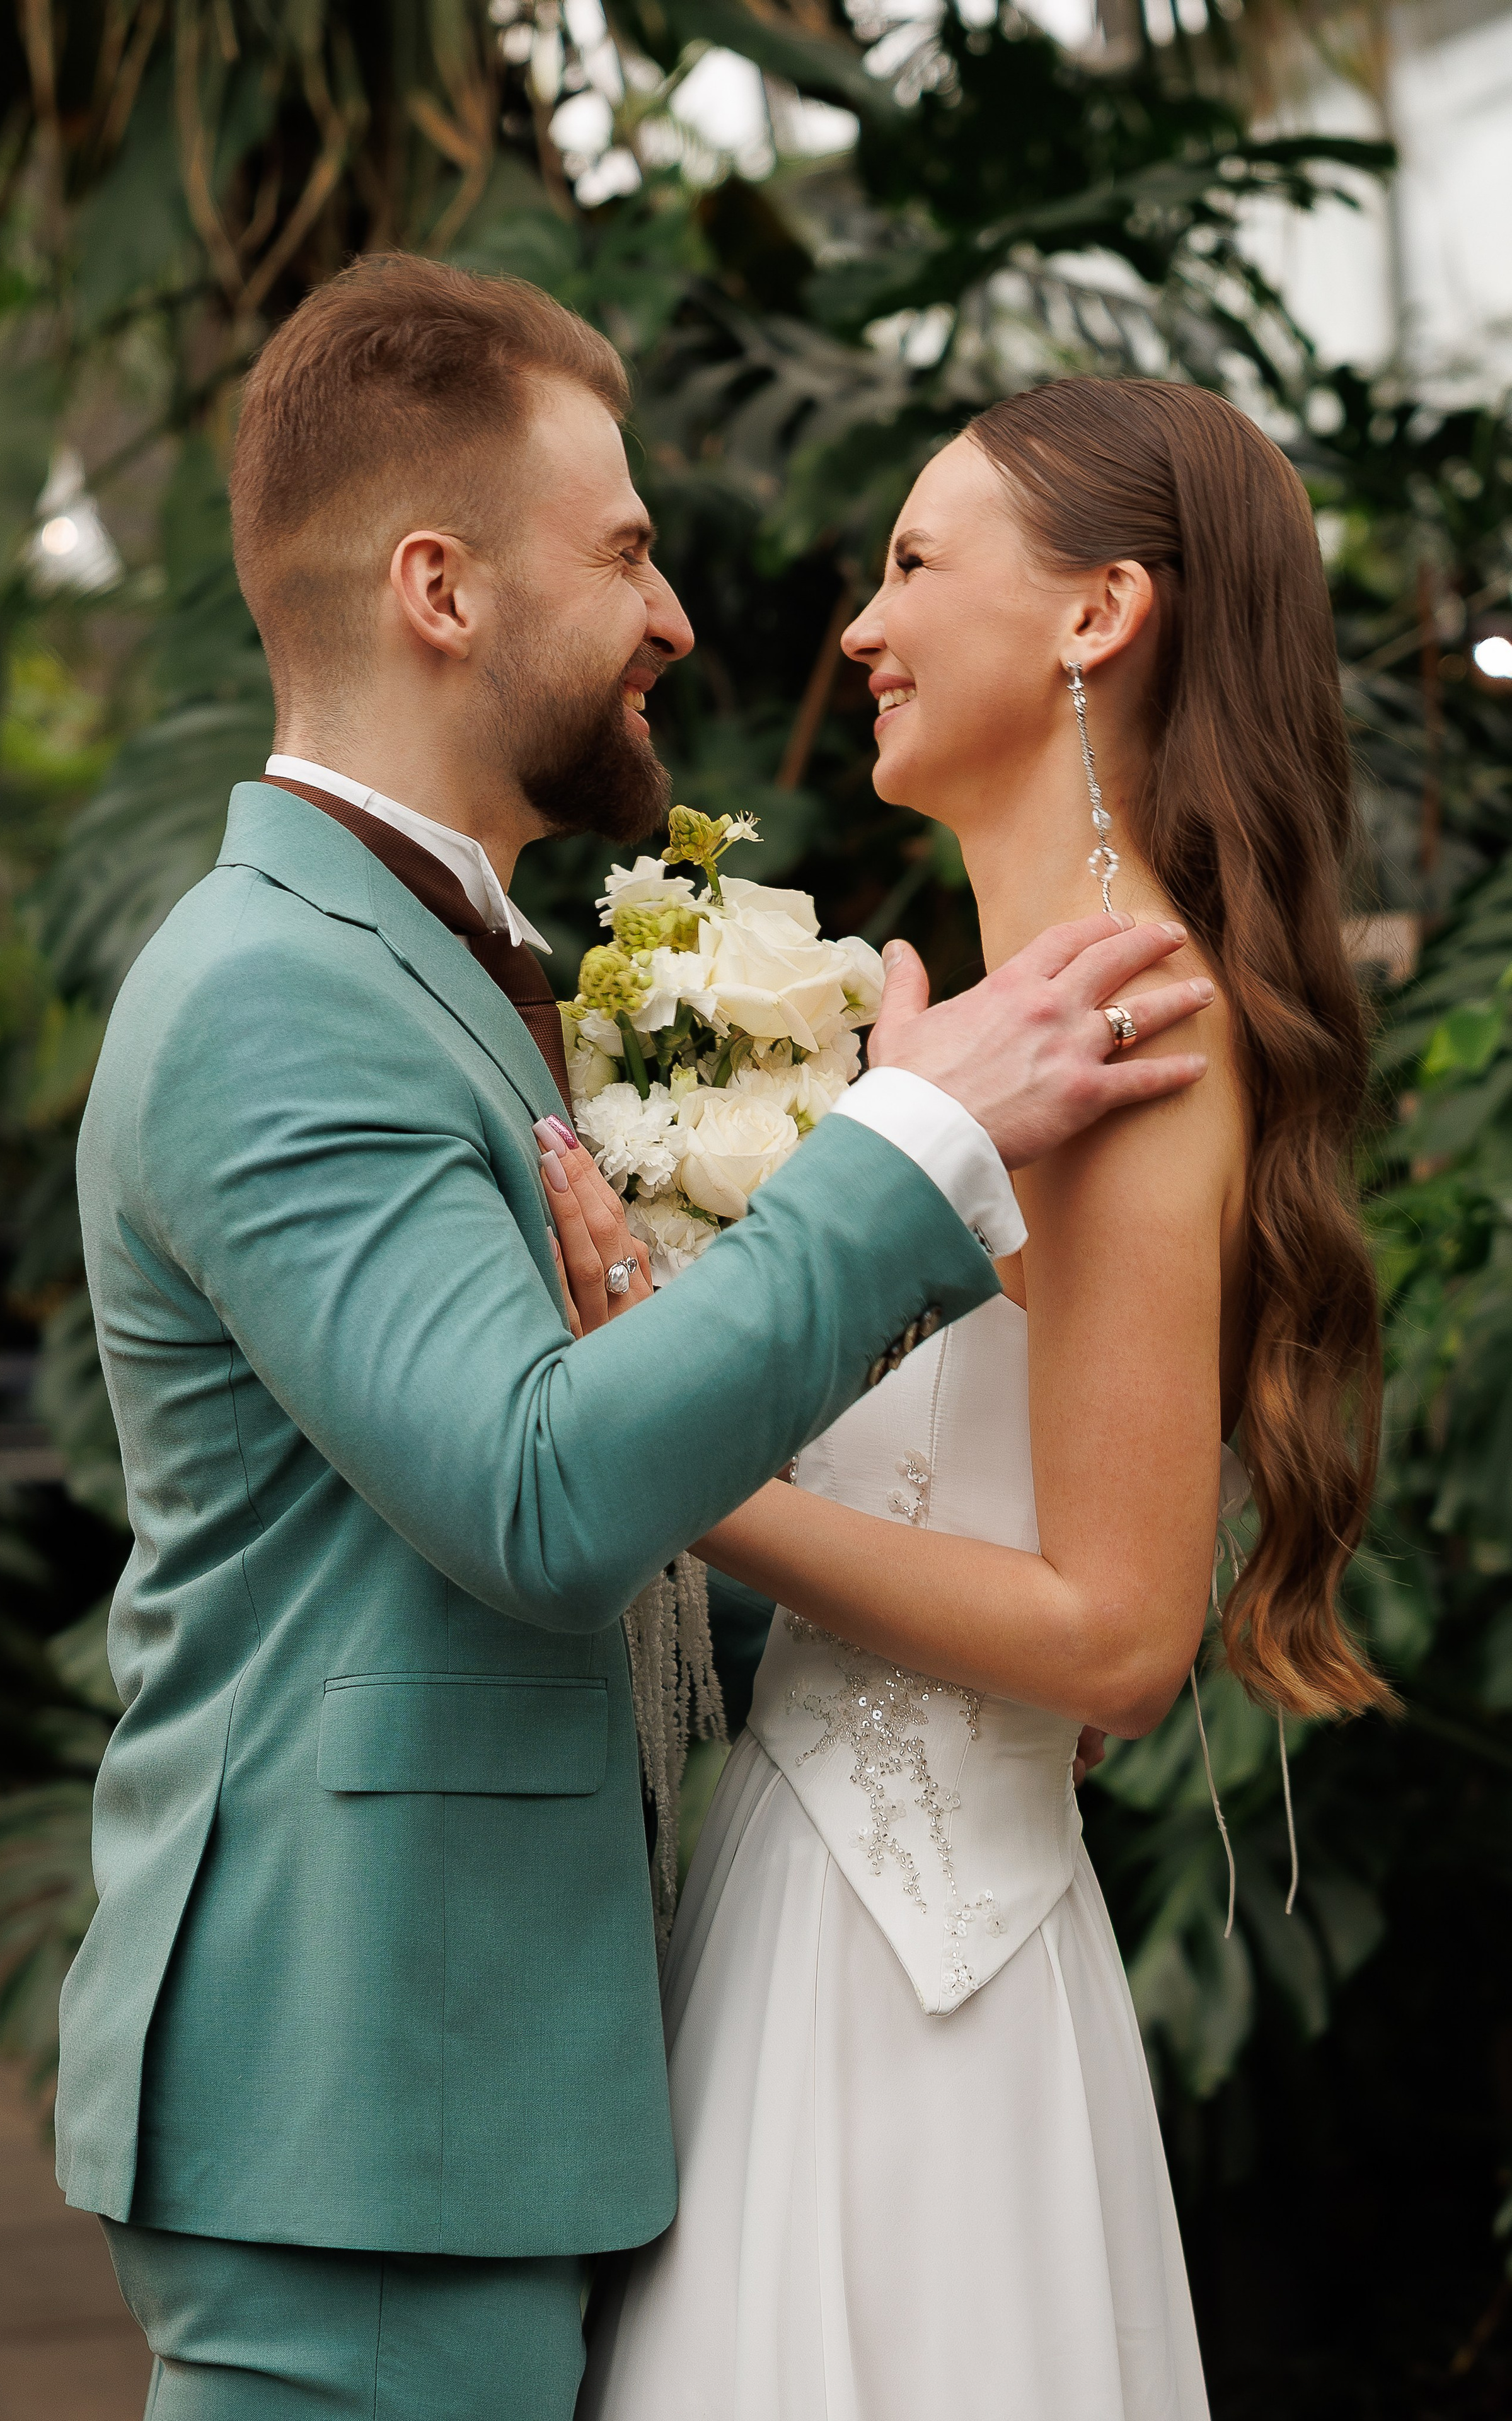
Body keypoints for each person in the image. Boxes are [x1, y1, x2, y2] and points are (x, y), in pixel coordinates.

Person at [52, 263, 1212, 2420]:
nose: (678, 616)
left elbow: (619, 1512)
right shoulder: (271, 991)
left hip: (540, 2082)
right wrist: (920, 1143)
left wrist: (943, 1651)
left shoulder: (444, 969)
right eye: (622, 554)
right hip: (368, 2114)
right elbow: (538, 1491)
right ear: (440, 591)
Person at [577, 377, 1392, 2421]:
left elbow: (1116, 1639)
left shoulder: (1131, 1031)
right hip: (820, 1910)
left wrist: (655, 1443)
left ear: (1098, 614)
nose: (862, 624)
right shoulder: (1014, 1020)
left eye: (916, 563)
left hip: (907, 1984)